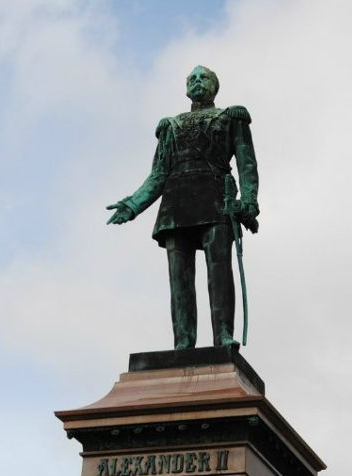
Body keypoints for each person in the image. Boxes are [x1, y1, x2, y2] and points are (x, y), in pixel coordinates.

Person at [107, 65, 259, 350]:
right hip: (176, 205)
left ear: (215, 86)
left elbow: (246, 164)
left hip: (216, 201)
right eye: (192, 78)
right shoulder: (171, 126)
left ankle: (223, 336)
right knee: (180, 281)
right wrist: (132, 205)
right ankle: (183, 343)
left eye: (204, 78)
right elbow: (158, 175)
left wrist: (248, 202)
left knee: (220, 273)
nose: (197, 81)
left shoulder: (231, 117)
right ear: (186, 87)